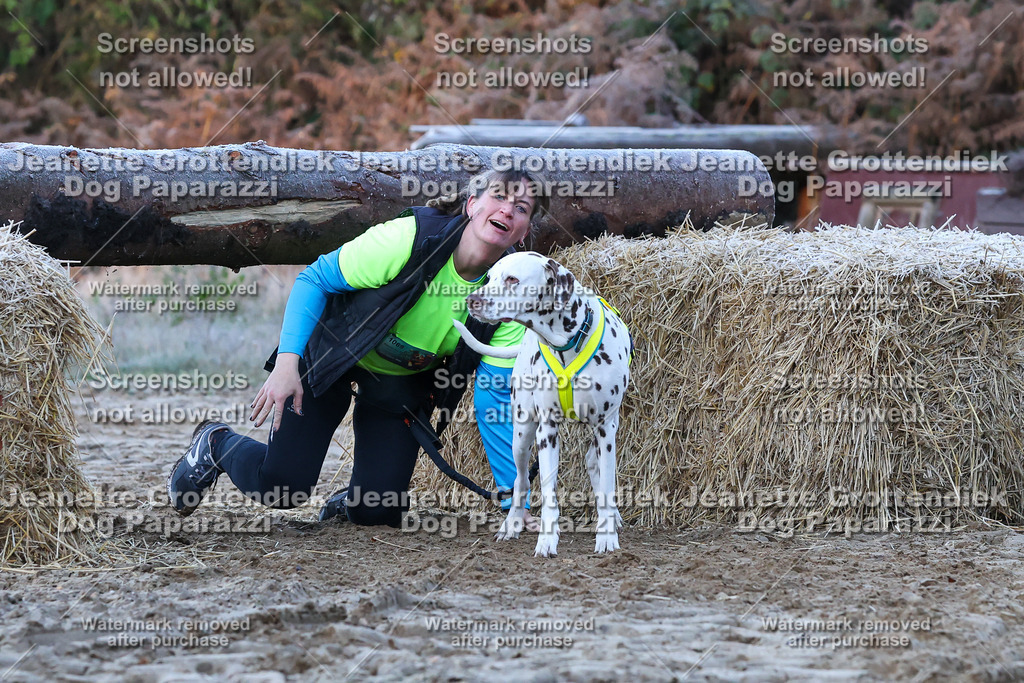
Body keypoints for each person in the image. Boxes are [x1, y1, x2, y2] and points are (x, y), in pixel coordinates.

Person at [167, 168, 549, 528]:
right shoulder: (409, 237)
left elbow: (493, 399)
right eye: (498, 197)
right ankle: (216, 444)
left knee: (378, 515)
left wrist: (515, 501)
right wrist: (287, 364)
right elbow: (315, 279)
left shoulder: (514, 297)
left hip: (401, 384)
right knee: (282, 488)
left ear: (524, 230)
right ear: (471, 204)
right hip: (335, 355)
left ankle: (354, 500)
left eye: (521, 208)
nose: (507, 211)